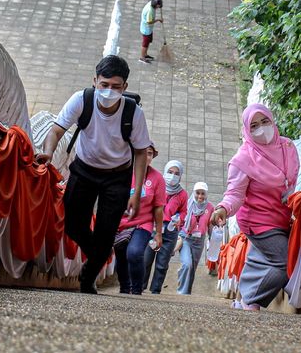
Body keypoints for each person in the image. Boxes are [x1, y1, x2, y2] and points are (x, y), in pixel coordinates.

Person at [36, 55, 151, 294]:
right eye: (104, 85)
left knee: (107, 231)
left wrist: (136, 192)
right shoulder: (82, 100)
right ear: (95, 81)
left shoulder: (133, 114)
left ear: (125, 87)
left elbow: (141, 153)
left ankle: (88, 278)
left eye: (116, 87)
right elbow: (56, 130)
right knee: (73, 225)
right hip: (84, 170)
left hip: (117, 177)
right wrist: (47, 153)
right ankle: (101, 251)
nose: (109, 91)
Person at [210, 103, 299, 311]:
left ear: (272, 120)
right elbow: (234, 194)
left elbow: (291, 181)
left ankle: (243, 297)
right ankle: (251, 300)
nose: (261, 129)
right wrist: (223, 208)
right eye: (254, 126)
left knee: (261, 256)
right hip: (257, 220)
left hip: (282, 215)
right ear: (246, 130)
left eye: (265, 121)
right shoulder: (242, 159)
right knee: (284, 262)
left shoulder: (288, 147)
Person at [114, 143, 165, 294]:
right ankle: (124, 287)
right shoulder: (123, 173)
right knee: (121, 256)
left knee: (134, 253)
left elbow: (158, 208)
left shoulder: (157, 179)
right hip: (121, 222)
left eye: (149, 153)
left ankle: (136, 289)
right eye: (143, 152)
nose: (146, 156)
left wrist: (159, 233)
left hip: (143, 223)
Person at [143, 159, 188, 294]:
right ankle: (139, 286)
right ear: (165, 172)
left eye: (176, 173)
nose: (172, 176)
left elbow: (184, 211)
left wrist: (179, 218)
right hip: (153, 227)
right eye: (170, 172)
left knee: (162, 264)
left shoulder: (182, 194)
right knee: (146, 259)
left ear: (180, 176)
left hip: (170, 231)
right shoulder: (157, 186)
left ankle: (155, 290)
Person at [176, 181, 214, 295]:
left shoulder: (210, 207)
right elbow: (180, 220)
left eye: (203, 193)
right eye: (198, 193)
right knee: (187, 264)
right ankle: (181, 292)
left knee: (192, 269)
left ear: (206, 194)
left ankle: (187, 293)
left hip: (199, 241)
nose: (200, 196)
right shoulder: (187, 204)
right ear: (194, 193)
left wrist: (212, 242)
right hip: (186, 238)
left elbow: (210, 226)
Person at [139, 0, 163, 64]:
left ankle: (145, 55)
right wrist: (158, 20)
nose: (159, 7)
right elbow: (149, 21)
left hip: (149, 29)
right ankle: (142, 57)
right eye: (159, 6)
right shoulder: (150, 11)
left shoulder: (151, 3)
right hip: (146, 29)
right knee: (145, 44)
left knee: (148, 41)